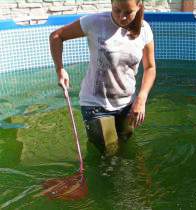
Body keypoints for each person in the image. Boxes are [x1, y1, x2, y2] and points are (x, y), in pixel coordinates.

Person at [49, 0, 156, 155]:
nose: (122, 17)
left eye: (128, 12)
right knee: (110, 157)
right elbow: (56, 36)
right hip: (95, 104)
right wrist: (60, 69)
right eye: (117, 10)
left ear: (139, 7)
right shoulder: (95, 22)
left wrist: (142, 98)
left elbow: (150, 67)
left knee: (126, 152)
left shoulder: (145, 30)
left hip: (127, 105)